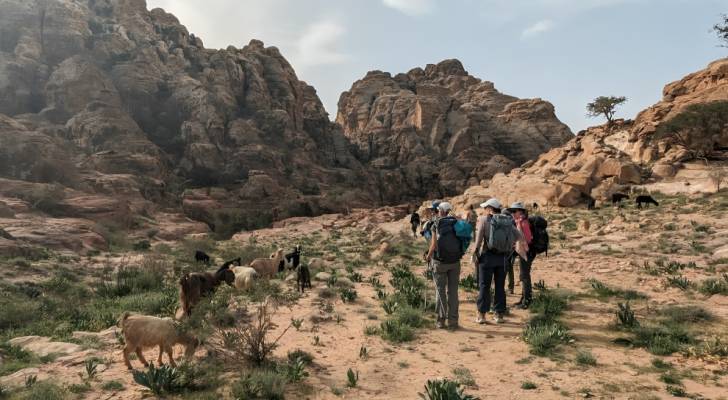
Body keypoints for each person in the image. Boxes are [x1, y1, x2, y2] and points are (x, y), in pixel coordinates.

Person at [473, 198, 523, 324]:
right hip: (503, 258)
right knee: (500, 286)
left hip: (487, 257)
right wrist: (508, 245)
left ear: (490, 208)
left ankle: (482, 315)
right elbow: (520, 237)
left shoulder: (484, 220)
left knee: (484, 285)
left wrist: (475, 254)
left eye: (485, 208)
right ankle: (499, 315)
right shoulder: (507, 220)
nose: (484, 210)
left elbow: (478, 241)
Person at [425, 202, 462, 330]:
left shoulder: (436, 224)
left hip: (440, 262)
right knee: (453, 292)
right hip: (455, 261)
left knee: (440, 291)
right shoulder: (456, 222)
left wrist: (428, 256)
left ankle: (441, 321)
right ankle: (453, 321)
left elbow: (434, 244)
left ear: (440, 210)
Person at [507, 202, 535, 309]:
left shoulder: (523, 223)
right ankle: (523, 299)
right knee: (523, 275)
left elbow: (528, 239)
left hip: (527, 252)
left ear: (521, 211)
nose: (512, 213)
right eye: (511, 212)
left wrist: (519, 241)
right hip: (524, 251)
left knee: (525, 276)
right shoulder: (519, 222)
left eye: (514, 211)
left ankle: (527, 301)